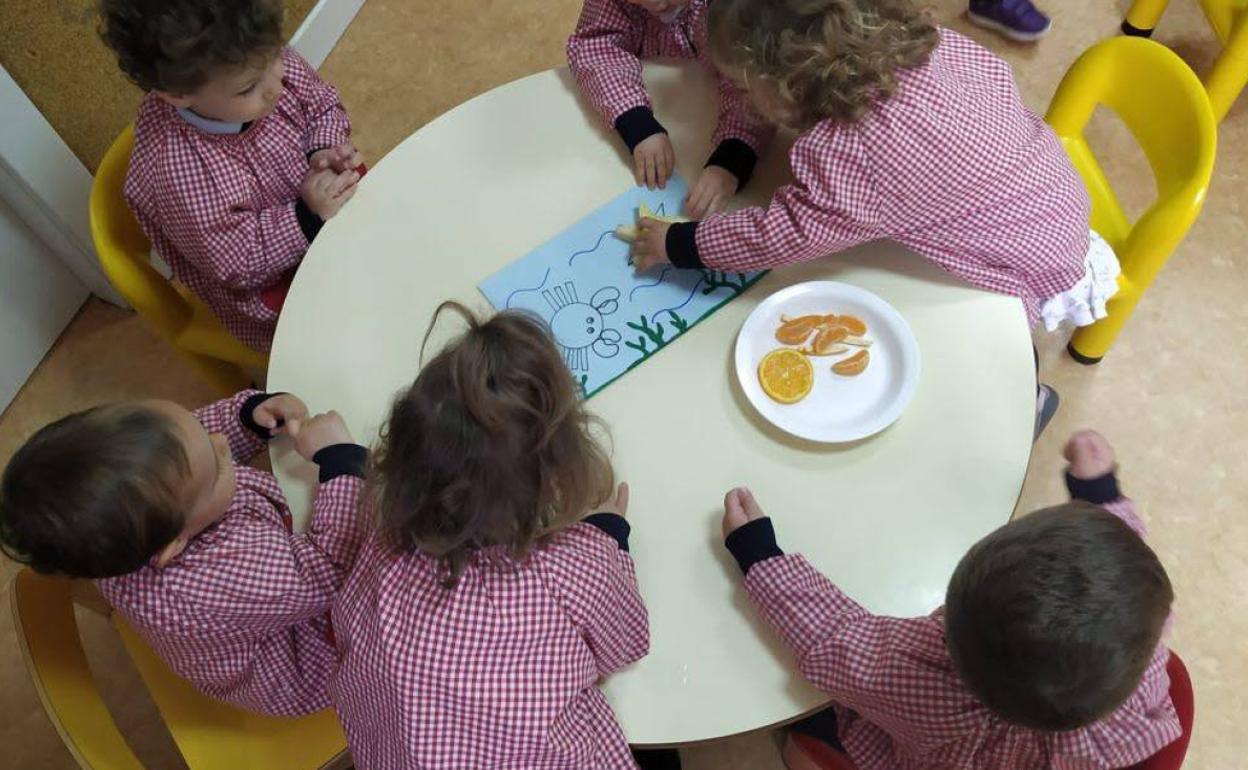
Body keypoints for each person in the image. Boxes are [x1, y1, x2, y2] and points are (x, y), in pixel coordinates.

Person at [330, 303, 667, 769]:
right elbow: (625, 645)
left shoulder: (382, 538)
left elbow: (346, 625)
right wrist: (609, 533)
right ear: (557, 476)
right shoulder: (576, 566)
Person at [718, 430, 1180, 770]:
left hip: (938, 754)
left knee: (814, 720)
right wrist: (1102, 495)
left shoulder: (916, 677)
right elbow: (1120, 574)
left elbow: (833, 639)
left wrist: (759, 555)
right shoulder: (1141, 636)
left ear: (948, 638)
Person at [0, 390, 367, 715]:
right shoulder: (208, 574)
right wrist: (342, 461)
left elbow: (194, 439)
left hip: (259, 595)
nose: (221, 442)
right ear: (174, 545)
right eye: (218, 466)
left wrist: (249, 417)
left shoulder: (127, 530)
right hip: (301, 664)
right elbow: (329, 568)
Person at [99, 0, 365, 352]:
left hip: (322, 207)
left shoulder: (255, 58)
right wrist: (305, 217)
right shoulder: (175, 174)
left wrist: (321, 151)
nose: (277, 84)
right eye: (248, 88)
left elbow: (322, 104)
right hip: (273, 284)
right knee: (355, 330)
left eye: (277, 55)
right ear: (176, 95)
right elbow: (237, 263)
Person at [567, 0, 774, 216]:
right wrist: (635, 120)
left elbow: (755, 79)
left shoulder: (736, 10)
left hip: (702, 114)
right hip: (659, 92)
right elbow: (595, 49)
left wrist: (734, 156)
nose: (657, 5)